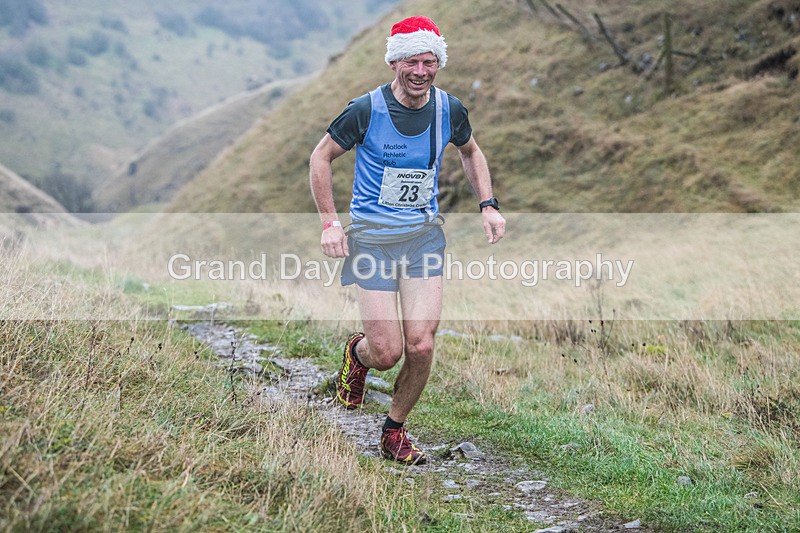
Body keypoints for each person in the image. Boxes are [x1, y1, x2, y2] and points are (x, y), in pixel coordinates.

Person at [309, 15, 505, 465]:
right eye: (412, 61)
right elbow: (320, 158)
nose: (421, 71)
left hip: (423, 240)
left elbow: (471, 152)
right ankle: (357, 355)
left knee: (421, 345)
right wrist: (330, 223)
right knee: (386, 352)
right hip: (373, 242)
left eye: (430, 61)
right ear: (394, 62)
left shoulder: (449, 109)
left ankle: (394, 429)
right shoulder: (365, 109)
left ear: (438, 63)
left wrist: (488, 204)